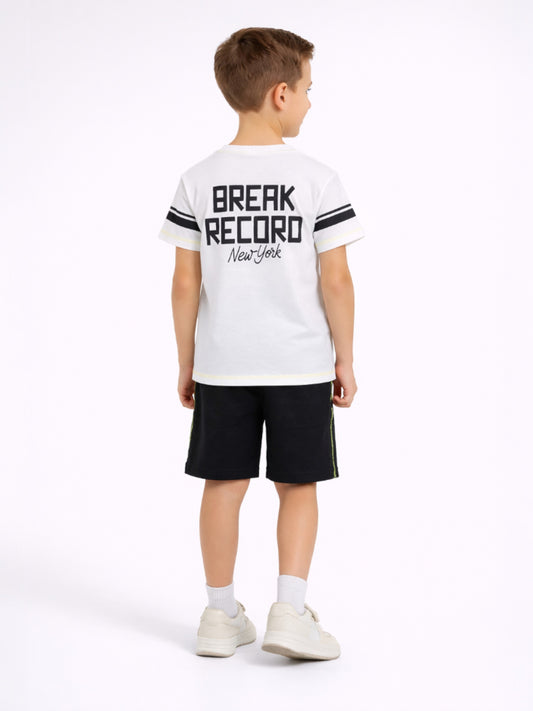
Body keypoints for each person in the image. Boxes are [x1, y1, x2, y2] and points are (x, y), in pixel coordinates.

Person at [157, 27, 366, 660]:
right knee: (297, 485)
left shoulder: (198, 179)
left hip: (223, 365)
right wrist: (345, 358)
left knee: (222, 484)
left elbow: (184, 283)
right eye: (307, 89)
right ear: (280, 94)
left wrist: (188, 361)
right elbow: (336, 279)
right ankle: (291, 612)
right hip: (299, 364)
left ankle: (220, 616)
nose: (309, 101)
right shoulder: (318, 179)